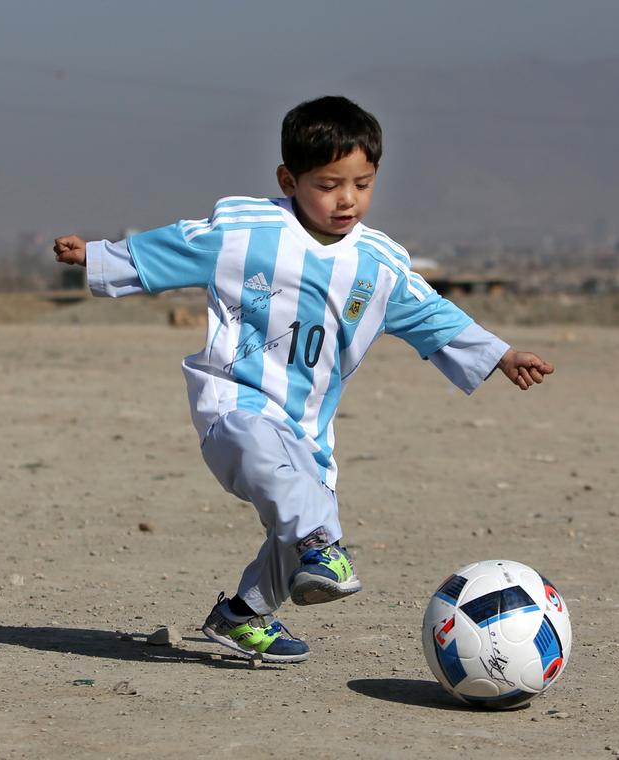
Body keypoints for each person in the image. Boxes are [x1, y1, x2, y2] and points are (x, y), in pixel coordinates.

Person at [52, 96, 553, 663]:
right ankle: (320, 544)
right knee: (302, 512)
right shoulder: (246, 231)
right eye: (329, 184)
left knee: (307, 510)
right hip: (234, 403)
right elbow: (174, 246)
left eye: (362, 184)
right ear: (289, 179)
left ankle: (244, 615)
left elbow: (434, 315)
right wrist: (99, 257)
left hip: (308, 426)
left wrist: (501, 354)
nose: (347, 199)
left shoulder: (381, 266)